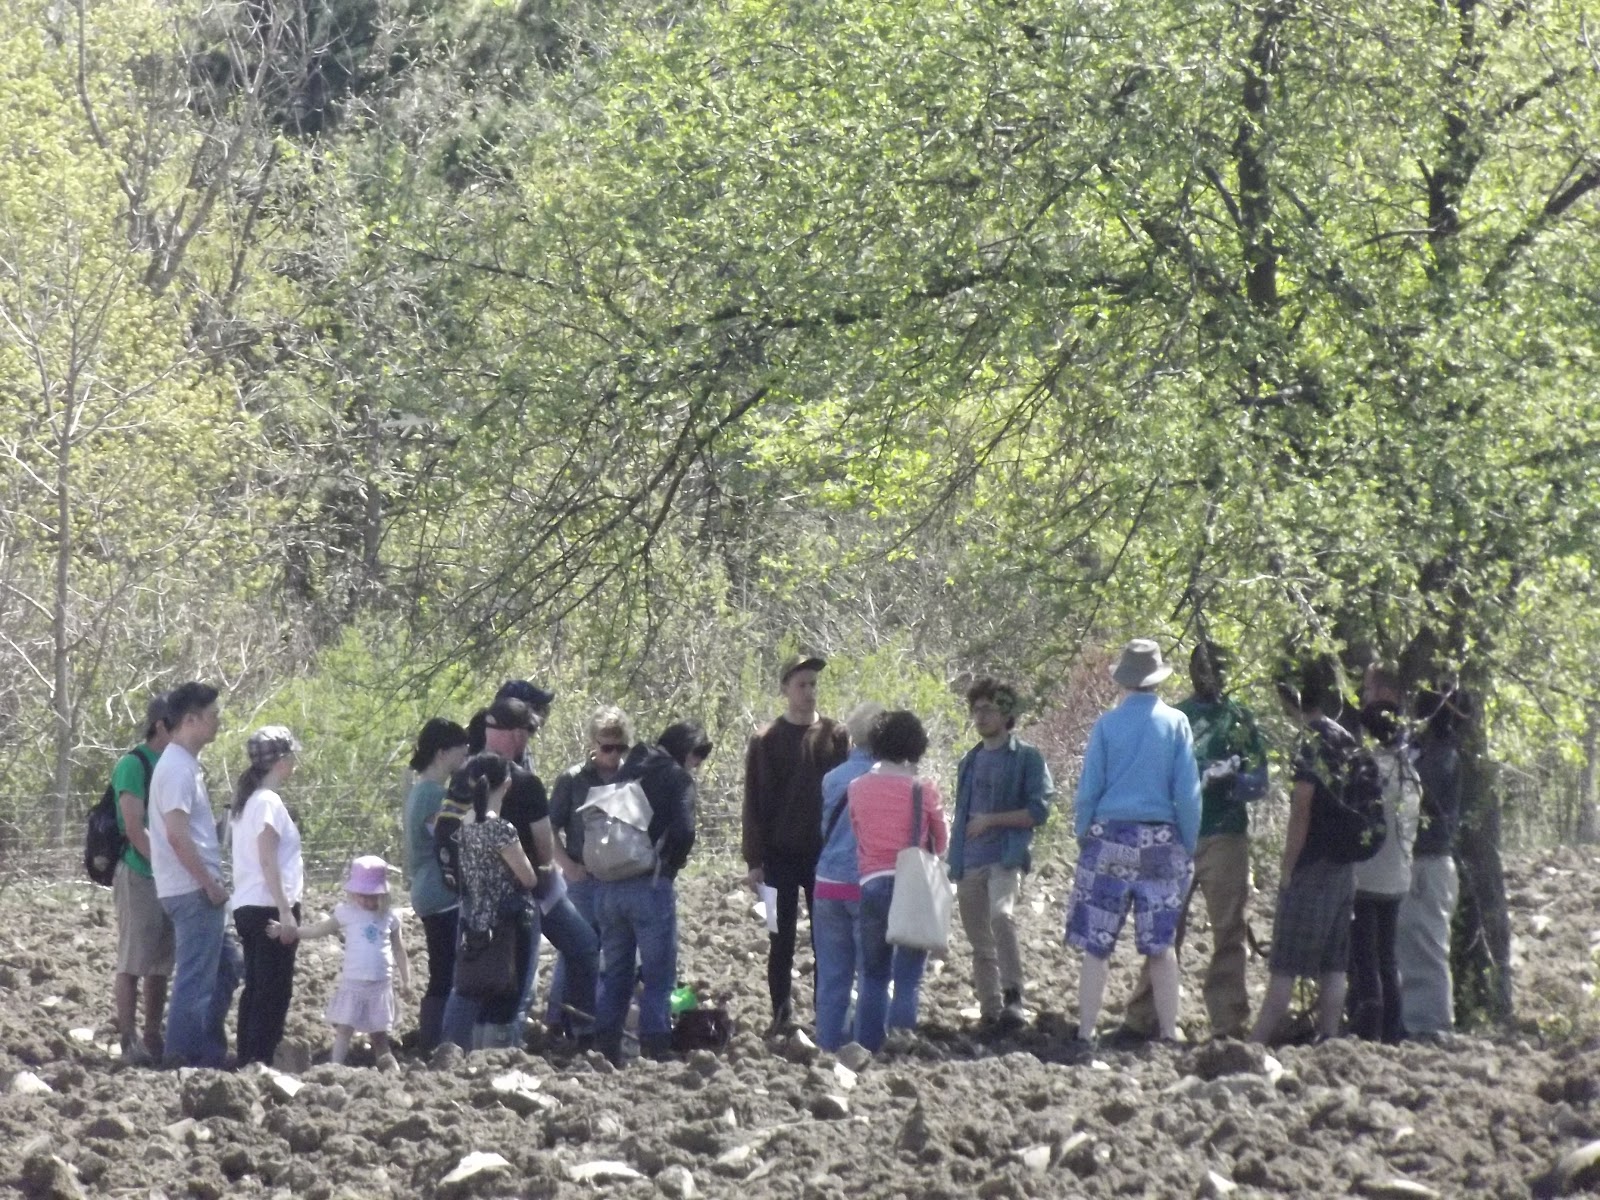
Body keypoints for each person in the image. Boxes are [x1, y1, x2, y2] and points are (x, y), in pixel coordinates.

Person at [1122, 642, 1268, 1041]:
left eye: (1219, 668)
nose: (1211, 676)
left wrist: (1234, 780)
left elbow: (1261, 782)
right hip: (1176, 835)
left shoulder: (1239, 720)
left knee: (1228, 929)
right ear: (1190, 672)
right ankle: (1144, 1016)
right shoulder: (1176, 718)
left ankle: (1228, 1020)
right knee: (1164, 929)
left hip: (1226, 834)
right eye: (1203, 668)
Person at [1067, 640, 1202, 1045]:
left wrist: (1083, 832)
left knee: (1097, 944)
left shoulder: (1107, 725)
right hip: (1161, 839)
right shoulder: (1176, 723)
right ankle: (1168, 1030)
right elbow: (1188, 791)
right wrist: (1188, 843)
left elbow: (1090, 789)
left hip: (1108, 835)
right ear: (1157, 679)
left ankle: (1086, 1030)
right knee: (1161, 946)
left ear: (1122, 680)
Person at [1250, 663, 1360, 1044]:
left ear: (1292, 700)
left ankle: (1254, 1044)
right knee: (1334, 964)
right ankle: (1329, 1038)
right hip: (1344, 866)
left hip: (1311, 865)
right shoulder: (1345, 737)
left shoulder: (1310, 741)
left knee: (1284, 966)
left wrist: (1287, 868)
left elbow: (1301, 807)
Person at [742, 653, 850, 1033]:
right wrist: (754, 860)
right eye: (801, 684)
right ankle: (780, 1014)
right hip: (777, 858)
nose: (809, 692)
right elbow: (753, 802)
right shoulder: (765, 739)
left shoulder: (836, 736)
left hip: (827, 857)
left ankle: (827, 1015)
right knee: (779, 937)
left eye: (813, 684)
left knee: (828, 940)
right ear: (785, 689)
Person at [947, 679, 1054, 1032]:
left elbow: (1037, 811)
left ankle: (1014, 996)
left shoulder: (1027, 757)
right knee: (979, 942)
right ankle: (990, 1009)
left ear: (1007, 713)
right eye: (976, 709)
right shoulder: (969, 761)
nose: (981, 716)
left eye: (989, 708)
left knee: (1002, 916)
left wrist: (992, 820)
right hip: (969, 861)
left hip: (1005, 857)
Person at [146, 681, 240, 1068]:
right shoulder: (177, 769)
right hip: (193, 889)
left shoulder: (184, 765)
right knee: (196, 979)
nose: (218, 722)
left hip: (195, 886)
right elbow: (176, 834)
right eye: (213, 715)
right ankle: (183, 1057)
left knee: (227, 966)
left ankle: (207, 1050)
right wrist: (208, 882)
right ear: (190, 720)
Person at [591, 727, 699, 1063]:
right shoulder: (676, 778)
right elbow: (684, 830)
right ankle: (656, 1047)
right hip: (649, 885)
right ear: (686, 751)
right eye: (699, 754)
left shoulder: (625, 771)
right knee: (658, 973)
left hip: (609, 885)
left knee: (617, 974)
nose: (698, 764)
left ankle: (605, 1049)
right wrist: (669, 865)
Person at [848, 710, 949, 1052]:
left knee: (873, 976)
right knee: (908, 979)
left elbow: (859, 832)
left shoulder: (857, 788)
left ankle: (866, 1047)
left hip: (872, 883)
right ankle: (901, 1047)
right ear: (915, 746)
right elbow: (941, 839)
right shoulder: (923, 789)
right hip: (912, 885)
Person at [439, 753, 540, 1051]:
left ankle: (456, 1050)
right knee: (508, 992)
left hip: (474, 917)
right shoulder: (501, 830)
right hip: (507, 919)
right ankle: (494, 1056)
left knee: (473, 986)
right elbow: (528, 878)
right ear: (506, 784)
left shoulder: (464, 826)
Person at [271, 856, 410, 1065]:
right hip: (354, 981)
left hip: (380, 983)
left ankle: (390, 1069)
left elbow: (399, 949)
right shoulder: (347, 914)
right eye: (361, 895)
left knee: (379, 1033)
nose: (366, 900)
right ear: (353, 894)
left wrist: (406, 979)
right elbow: (319, 930)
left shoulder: (389, 917)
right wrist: (290, 931)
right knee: (345, 1028)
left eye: (372, 896)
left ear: (383, 894)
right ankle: (335, 1066)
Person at [546, 706, 633, 1037]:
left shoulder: (631, 778)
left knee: (616, 954)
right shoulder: (571, 780)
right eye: (606, 747)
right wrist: (568, 866)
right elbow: (550, 828)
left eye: (620, 748)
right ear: (593, 744)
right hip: (582, 879)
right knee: (576, 949)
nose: (613, 755)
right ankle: (558, 1019)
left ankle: (599, 1020)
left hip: (618, 878)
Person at [228, 725, 305, 1067]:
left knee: (257, 988)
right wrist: (286, 911)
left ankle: (248, 1057)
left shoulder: (245, 803)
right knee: (274, 991)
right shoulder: (269, 802)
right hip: (269, 905)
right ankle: (261, 1060)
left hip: (247, 905)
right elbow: (267, 858)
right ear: (282, 761)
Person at [1347, 698, 1420, 1042]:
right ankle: (1394, 1029)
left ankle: (1368, 1027)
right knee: (1388, 957)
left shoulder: (1365, 769)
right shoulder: (1409, 773)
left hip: (1366, 877)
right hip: (1397, 877)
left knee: (1365, 958)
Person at [109, 693, 175, 1065]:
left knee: (161, 963)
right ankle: (128, 1036)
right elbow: (134, 828)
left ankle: (153, 1034)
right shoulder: (133, 765)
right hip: (139, 872)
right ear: (161, 725)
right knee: (133, 960)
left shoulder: (177, 765)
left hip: (166, 876)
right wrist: (166, 867)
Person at [813, 701, 883, 1051]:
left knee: (832, 977)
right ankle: (866, 1048)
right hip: (865, 883)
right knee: (871, 973)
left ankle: (827, 1046)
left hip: (827, 882)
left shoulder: (832, 779)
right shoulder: (888, 780)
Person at [1396, 687, 1465, 1040]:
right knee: (1417, 945)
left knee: (1427, 947)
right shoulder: (1436, 752)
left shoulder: (1440, 757)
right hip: (1425, 862)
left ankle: (1433, 1026)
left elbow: (1419, 800)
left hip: (1429, 861)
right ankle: (1417, 1024)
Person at [403, 717, 470, 1053]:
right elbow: (451, 838)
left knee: (441, 967)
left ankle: (432, 1039)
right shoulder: (433, 795)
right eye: (462, 751)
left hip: (425, 888)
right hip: (440, 891)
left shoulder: (420, 791)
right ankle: (437, 1040)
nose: (465, 759)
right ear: (442, 752)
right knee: (447, 971)